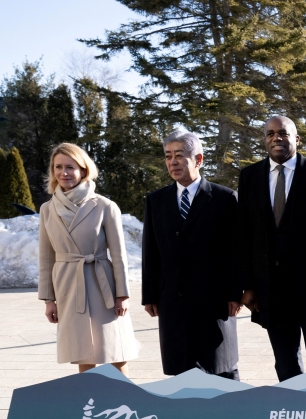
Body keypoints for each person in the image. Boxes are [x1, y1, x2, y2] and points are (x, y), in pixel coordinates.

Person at [238, 115, 306, 381]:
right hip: (271, 290)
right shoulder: (250, 177)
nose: (277, 138)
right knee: (285, 363)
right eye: (271, 133)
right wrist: (248, 285)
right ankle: (294, 412)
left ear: (296, 139)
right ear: (265, 140)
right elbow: (245, 235)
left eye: (284, 133)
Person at [141, 131, 242, 379]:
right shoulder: (156, 201)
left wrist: (235, 293)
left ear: (198, 159)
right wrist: (149, 295)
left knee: (221, 366)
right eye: (168, 156)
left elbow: (236, 251)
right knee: (180, 369)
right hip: (172, 299)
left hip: (214, 299)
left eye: (179, 155)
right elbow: (150, 251)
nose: (172, 162)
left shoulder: (224, 198)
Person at [38, 143, 138, 373]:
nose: (64, 173)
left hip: (103, 284)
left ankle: (125, 399)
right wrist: (48, 299)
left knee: (115, 348)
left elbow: (119, 254)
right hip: (68, 285)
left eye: (70, 167)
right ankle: (89, 404)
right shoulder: (47, 209)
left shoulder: (104, 206)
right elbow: (46, 258)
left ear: (83, 170)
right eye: (58, 167)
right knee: (82, 350)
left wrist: (122, 294)